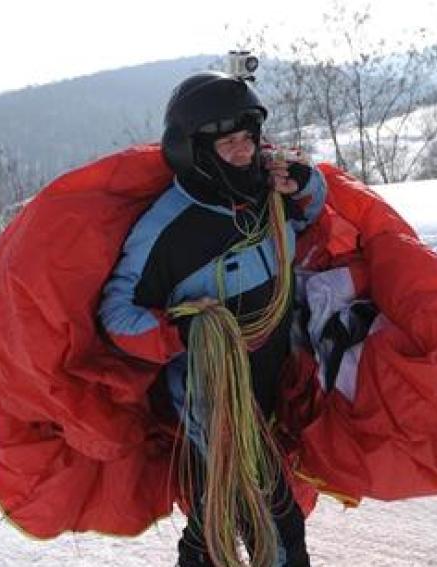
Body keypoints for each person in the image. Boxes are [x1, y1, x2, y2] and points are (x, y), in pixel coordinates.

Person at [98, 72, 326, 567]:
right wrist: (183, 332)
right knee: (277, 524)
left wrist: (310, 183)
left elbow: (313, 214)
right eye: (229, 144)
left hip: (270, 382)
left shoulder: (269, 187)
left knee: (213, 507)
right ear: (194, 151)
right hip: (216, 400)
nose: (245, 152)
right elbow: (116, 314)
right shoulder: (166, 228)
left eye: (248, 138)